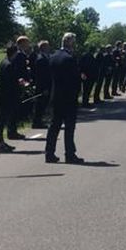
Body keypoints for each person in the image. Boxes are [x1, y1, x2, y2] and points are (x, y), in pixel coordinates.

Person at [45, 33, 85, 164]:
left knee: (54, 126)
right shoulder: (70, 58)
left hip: (56, 95)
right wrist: (78, 90)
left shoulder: (53, 57)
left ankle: (49, 153)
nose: (74, 45)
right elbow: (74, 79)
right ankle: (69, 154)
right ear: (69, 42)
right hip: (68, 97)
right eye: (73, 42)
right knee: (69, 127)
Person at [0, 43, 29, 152]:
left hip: (3, 96)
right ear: (13, 53)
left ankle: (1, 142)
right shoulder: (8, 65)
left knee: (2, 119)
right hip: (6, 97)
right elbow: (9, 83)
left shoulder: (4, 62)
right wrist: (19, 83)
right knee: (2, 120)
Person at [31, 40, 53, 129]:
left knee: (43, 104)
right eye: (47, 46)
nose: (49, 48)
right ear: (43, 47)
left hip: (46, 85)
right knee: (40, 104)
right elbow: (41, 75)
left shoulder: (46, 57)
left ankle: (39, 121)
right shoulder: (41, 59)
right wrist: (44, 88)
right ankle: (36, 122)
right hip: (42, 86)